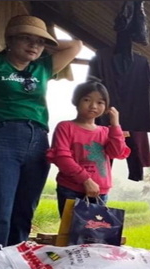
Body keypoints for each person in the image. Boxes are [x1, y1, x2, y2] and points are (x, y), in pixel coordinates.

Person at [0, 15, 82, 268]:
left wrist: (45, 41)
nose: (34, 46)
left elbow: (75, 45)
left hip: (38, 140)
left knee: (23, 211)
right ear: (10, 40)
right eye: (26, 38)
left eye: (39, 42)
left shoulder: (42, 68)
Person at [46, 78, 130, 217]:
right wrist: (86, 180)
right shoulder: (66, 127)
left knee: (95, 234)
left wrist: (115, 126)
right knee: (72, 234)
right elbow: (62, 157)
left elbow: (117, 152)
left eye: (100, 102)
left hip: (100, 192)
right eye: (87, 100)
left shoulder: (106, 132)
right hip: (71, 189)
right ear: (76, 101)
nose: (93, 106)